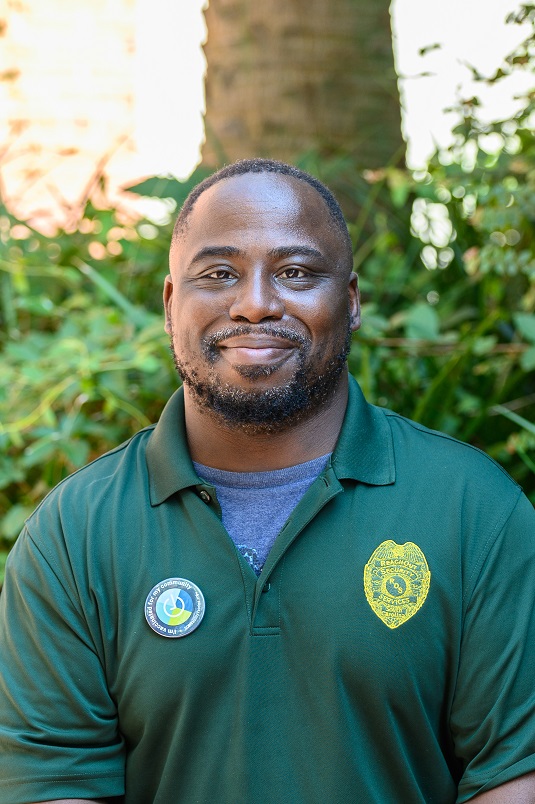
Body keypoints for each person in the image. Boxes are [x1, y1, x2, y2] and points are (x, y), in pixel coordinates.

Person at [0, 158, 534, 804]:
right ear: (172, 304)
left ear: (351, 300)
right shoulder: (76, 533)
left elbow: (512, 774)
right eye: (218, 274)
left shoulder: (470, 508)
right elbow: (52, 783)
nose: (255, 303)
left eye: (296, 273)